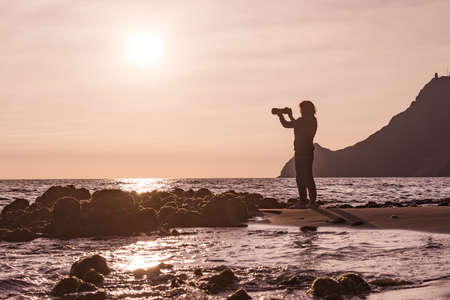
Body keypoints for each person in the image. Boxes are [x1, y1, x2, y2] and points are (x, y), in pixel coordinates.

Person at [277, 101, 317, 208]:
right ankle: (312, 202)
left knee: (301, 177)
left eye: (301, 109)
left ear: (304, 109)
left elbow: (287, 125)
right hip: (308, 152)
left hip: (301, 152)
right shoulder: (313, 120)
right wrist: (290, 116)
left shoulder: (303, 120)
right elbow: (297, 125)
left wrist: (281, 115)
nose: (301, 111)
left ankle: (303, 201)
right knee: (308, 176)